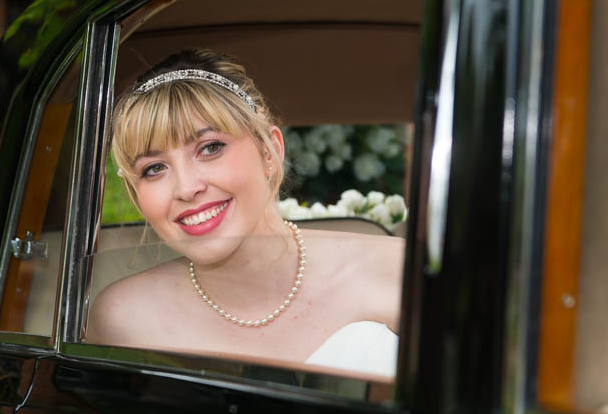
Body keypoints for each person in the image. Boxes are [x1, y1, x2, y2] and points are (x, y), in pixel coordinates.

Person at [87, 49, 402, 377]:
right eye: (154, 168)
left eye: (210, 148)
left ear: (271, 151)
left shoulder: (397, 272)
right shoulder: (121, 319)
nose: (185, 188)